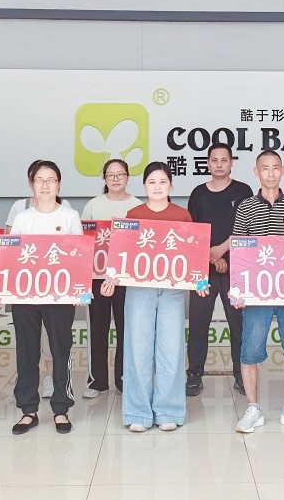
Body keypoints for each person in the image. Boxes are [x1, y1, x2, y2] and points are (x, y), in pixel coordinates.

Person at [101, 162, 204, 432]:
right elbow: (122, 252)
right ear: (144, 185)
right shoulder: (134, 214)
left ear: (171, 185)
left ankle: (168, 410)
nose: (157, 187)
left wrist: (199, 280)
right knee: (138, 349)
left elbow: (192, 253)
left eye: (162, 182)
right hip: (139, 291)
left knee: (171, 350)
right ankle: (138, 413)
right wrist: (112, 277)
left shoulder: (182, 215)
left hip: (172, 291)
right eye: (152, 182)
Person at [232, 149, 284, 435]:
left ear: (283, 171)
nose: (270, 173)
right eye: (264, 168)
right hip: (257, 293)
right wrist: (238, 290)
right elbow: (239, 250)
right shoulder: (245, 207)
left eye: (275, 167)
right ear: (256, 172)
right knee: (250, 350)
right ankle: (253, 408)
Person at [9, 160, 82, 435]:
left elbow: (78, 256)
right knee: (26, 350)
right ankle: (28, 410)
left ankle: (61, 409)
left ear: (59, 184)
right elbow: (11, 258)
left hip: (60, 296)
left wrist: (77, 289)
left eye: (51, 180)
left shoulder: (70, 216)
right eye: (39, 180)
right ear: (32, 184)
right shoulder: (22, 218)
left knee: (61, 349)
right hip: (25, 295)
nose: (45, 185)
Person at [186, 143, 252, 397]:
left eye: (224, 160)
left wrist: (223, 250)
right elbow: (192, 233)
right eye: (214, 160)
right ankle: (194, 375)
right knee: (198, 323)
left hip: (236, 268)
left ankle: (241, 375)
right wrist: (214, 259)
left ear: (231, 163)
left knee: (238, 324)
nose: (219, 164)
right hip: (203, 269)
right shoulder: (198, 194)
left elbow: (247, 228)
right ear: (208, 163)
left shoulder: (243, 191)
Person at [80, 158, 143, 399]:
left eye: (120, 174)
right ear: (104, 178)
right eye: (110, 175)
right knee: (98, 328)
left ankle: (124, 379)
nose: (116, 179)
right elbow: (83, 242)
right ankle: (97, 381)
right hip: (98, 277)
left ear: (128, 177)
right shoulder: (93, 205)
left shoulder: (137, 206)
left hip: (127, 279)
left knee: (127, 329)